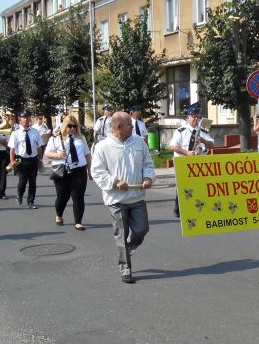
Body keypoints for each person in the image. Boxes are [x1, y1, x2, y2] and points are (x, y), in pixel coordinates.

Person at [90, 111, 155, 284]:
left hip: (137, 196)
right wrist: (114, 182)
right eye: (129, 125)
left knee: (142, 229)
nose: (133, 127)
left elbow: (148, 164)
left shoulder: (139, 142)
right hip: (116, 199)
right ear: (118, 127)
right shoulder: (103, 146)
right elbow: (97, 171)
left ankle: (127, 248)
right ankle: (125, 268)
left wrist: (148, 178)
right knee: (121, 234)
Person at [44, 115, 92, 230]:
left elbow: (87, 154)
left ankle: (78, 221)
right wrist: (57, 155)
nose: (72, 128)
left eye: (74, 126)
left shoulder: (81, 138)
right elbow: (47, 153)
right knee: (62, 197)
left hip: (79, 169)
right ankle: (59, 215)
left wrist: (89, 170)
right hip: (62, 170)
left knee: (78, 196)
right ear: (64, 126)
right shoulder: (56, 138)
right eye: (69, 126)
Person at [169, 103, 214, 218]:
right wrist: (187, 153)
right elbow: (173, 146)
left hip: (198, 163)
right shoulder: (181, 131)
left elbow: (211, 145)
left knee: (199, 186)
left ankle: (199, 207)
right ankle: (178, 209)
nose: (195, 119)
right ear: (188, 117)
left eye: (197, 117)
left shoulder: (203, 131)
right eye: (193, 116)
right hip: (183, 163)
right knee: (183, 186)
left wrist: (204, 140)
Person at [8, 109, 44, 209]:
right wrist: (12, 160)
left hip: (33, 159)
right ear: (20, 119)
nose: (26, 119)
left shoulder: (35, 132)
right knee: (22, 181)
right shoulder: (15, 133)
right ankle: (19, 195)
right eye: (24, 117)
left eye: (28, 117)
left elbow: (39, 147)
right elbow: (12, 149)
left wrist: (41, 158)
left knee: (33, 182)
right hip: (21, 160)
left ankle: (31, 201)